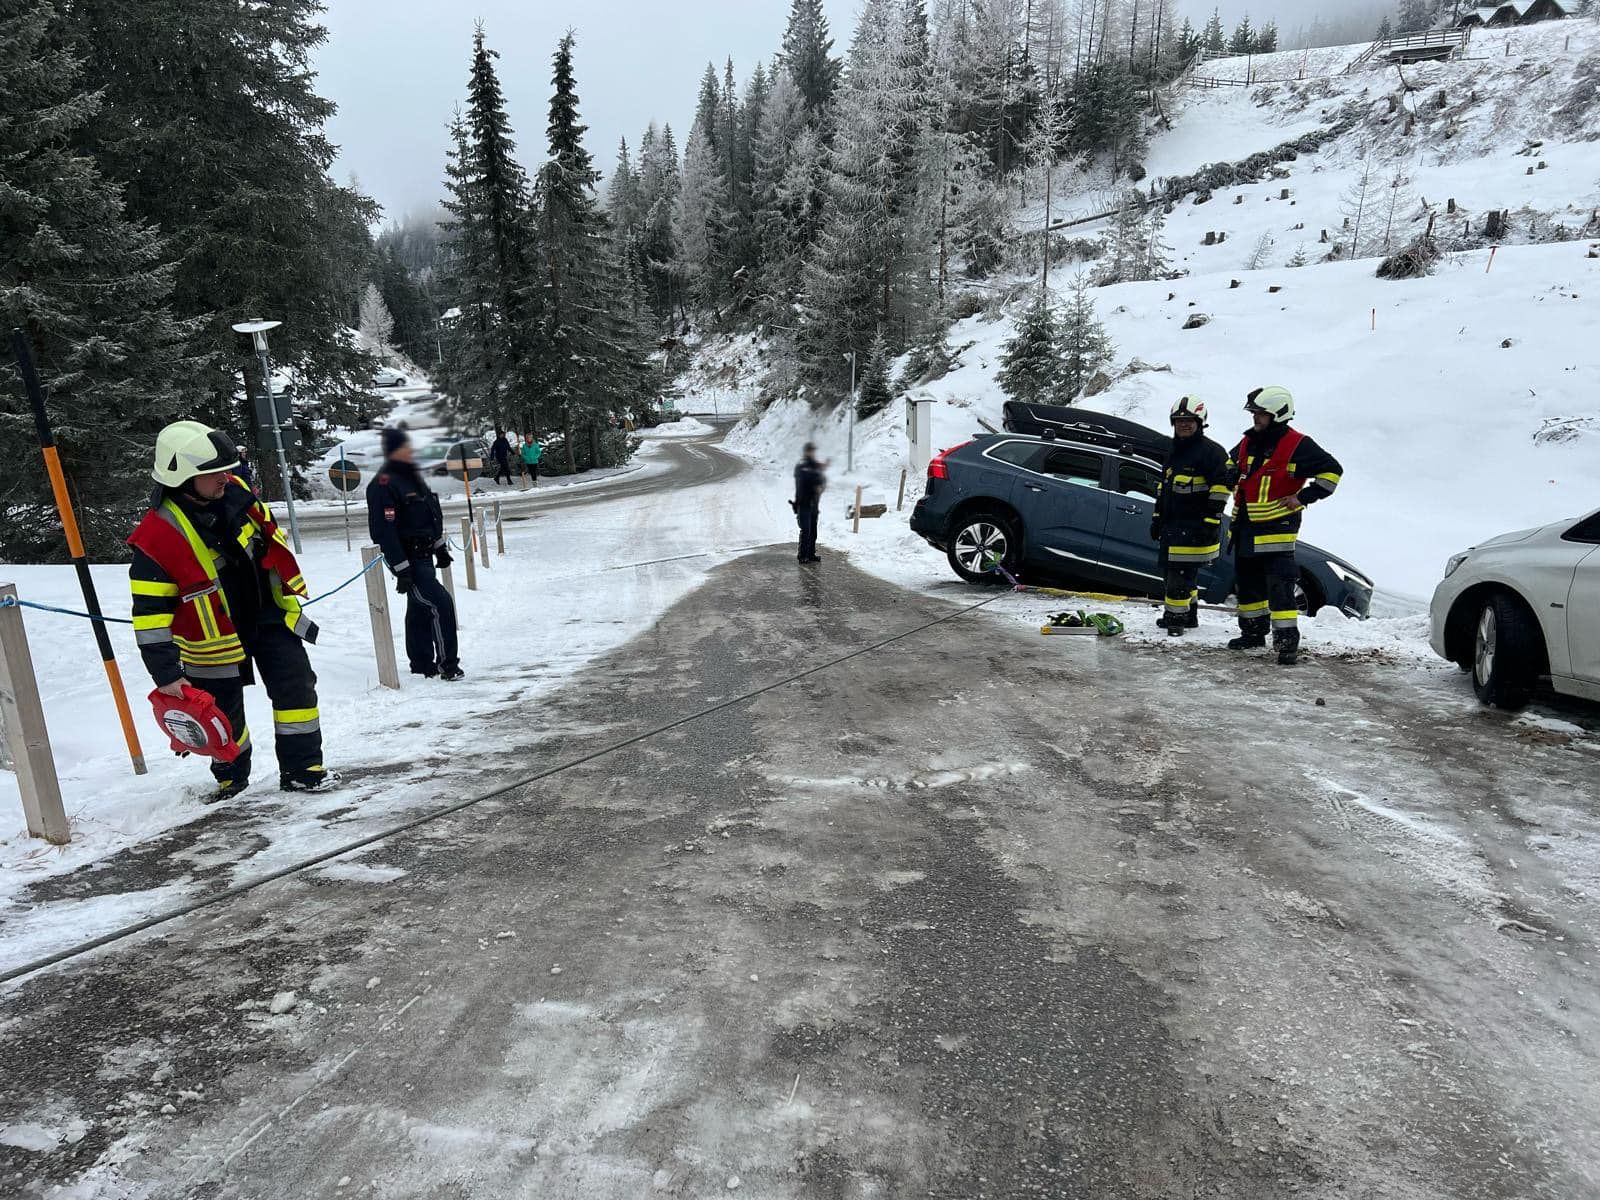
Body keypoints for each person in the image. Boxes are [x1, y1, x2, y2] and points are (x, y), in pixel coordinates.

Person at [128, 422, 339, 800]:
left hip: (268, 616)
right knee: (222, 715)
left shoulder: (237, 494)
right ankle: (231, 778)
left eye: (226, 469)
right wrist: (165, 673)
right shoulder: (155, 538)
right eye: (213, 473)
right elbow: (149, 616)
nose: (225, 477)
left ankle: (303, 770)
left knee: (296, 688)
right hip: (212, 641)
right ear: (183, 477)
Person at [1225, 386, 1343, 666]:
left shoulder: (1298, 445)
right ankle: (1253, 633)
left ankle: (1287, 643)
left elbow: (1332, 472)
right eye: (1254, 413)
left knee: (1280, 590)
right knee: (1249, 587)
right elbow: (1230, 462)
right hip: (1245, 529)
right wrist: (1230, 472)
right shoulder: (1248, 441)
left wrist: (1303, 497)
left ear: (1278, 414)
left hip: (1276, 531)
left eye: (1261, 414)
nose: (1256, 418)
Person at [366, 427, 463, 681]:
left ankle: (421, 663)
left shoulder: (412, 478)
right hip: (409, 558)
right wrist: (401, 568)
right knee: (440, 604)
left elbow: (429, 514)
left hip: (425, 555)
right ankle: (448, 666)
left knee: (419, 608)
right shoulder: (383, 484)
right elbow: (383, 531)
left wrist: (440, 547)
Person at [1150, 396, 1231, 637]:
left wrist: (1210, 520)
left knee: (1178, 574)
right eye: (1179, 420)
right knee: (1180, 574)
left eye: (1189, 421)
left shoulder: (1212, 452)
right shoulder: (1173, 450)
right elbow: (1164, 489)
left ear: (1200, 422)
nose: (1183, 425)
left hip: (1195, 527)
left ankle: (1175, 619)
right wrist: (1156, 517)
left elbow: (1222, 487)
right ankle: (1190, 615)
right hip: (1172, 526)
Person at [793, 443, 826, 564]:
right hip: (804, 503)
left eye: (813, 451)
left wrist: (821, 486)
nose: (812, 453)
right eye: (810, 451)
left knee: (813, 531)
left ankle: (811, 554)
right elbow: (804, 479)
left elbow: (822, 481)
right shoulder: (802, 466)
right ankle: (802, 555)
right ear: (806, 452)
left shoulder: (814, 466)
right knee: (806, 530)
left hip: (814, 504)